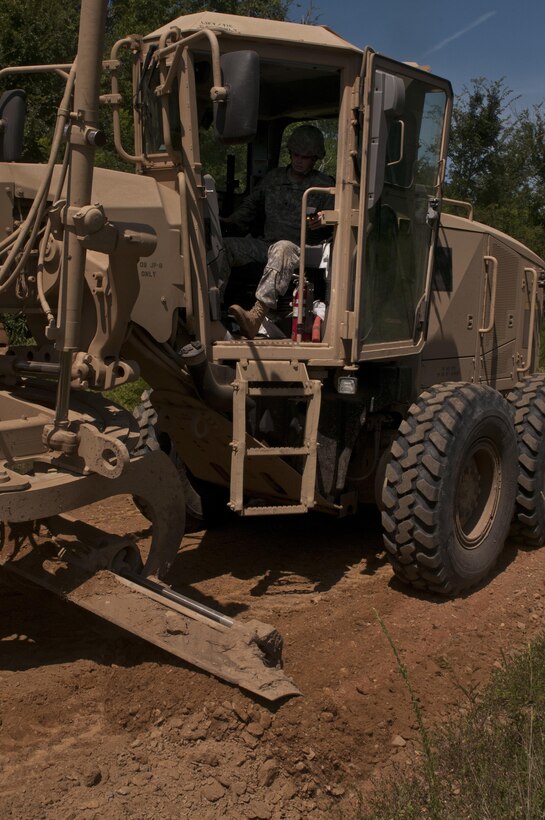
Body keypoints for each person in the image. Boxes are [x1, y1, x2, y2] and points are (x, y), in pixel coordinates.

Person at [219, 124, 334, 339]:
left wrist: (325, 220)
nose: (299, 160)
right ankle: (214, 312)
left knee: (283, 248)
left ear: (315, 158)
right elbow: (249, 208)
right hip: (266, 245)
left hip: (302, 249)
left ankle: (256, 316)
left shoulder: (324, 185)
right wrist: (226, 223)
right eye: (296, 155)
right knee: (224, 247)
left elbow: (338, 218)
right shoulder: (273, 179)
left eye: (306, 157)